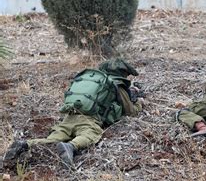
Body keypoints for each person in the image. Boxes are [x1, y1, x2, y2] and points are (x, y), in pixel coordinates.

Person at [3, 58, 142, 167]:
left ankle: (26, 144)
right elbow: (130, 111)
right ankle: (70, 147)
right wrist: (139, 102)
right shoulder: (117, 85)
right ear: (123, 74)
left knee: (52, 139)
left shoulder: (94, 81)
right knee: (90, 134)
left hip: (69, 116)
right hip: (88, 120)